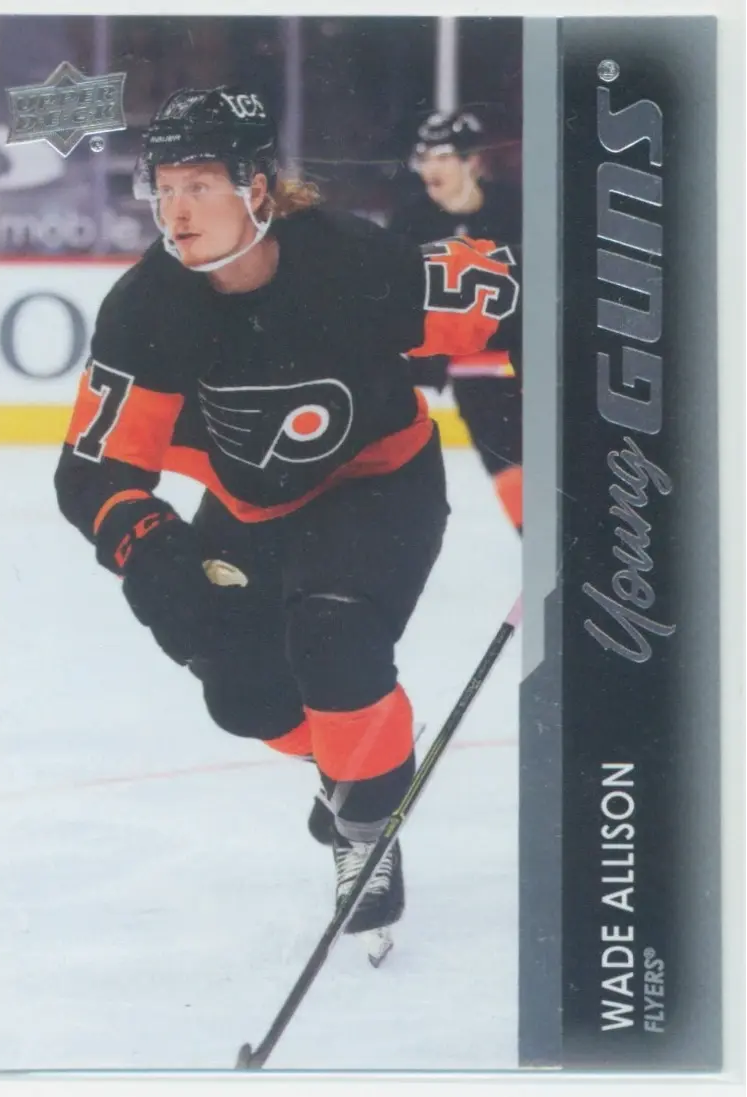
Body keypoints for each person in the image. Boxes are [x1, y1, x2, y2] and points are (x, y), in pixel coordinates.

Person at [54, 86, 519, 961]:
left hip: (379, 484)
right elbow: (92, 468)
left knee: (332, 637)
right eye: (164, 187)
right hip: (247, 507)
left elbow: (505, 296)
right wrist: (145, 545)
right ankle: (359, 767)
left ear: (257, 187)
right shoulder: (147, 306)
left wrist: (585, 431)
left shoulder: (351, 261)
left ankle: (364, 825)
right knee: (241, 695)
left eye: (199, 185)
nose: (175, 211)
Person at [389, 108, 523, 535]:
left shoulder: (518, 210)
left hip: (533, 370)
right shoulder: (410, 224)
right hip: (474, 380)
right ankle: (542, 548)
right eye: (424, 157)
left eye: (443, 156)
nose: (431, 168)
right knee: (508, 469)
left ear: (473, 161)